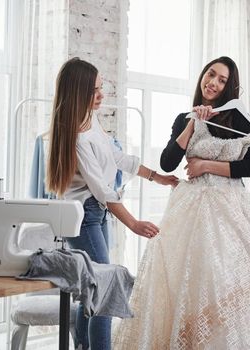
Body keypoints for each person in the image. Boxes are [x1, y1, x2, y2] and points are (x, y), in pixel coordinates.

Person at [113, 56, 250, 349]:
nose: (213, 83)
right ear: (203, 75)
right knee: (189, 282)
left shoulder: (239, 120)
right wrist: (192, 123)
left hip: (230, 210)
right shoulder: (184, 119)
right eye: (211, 74)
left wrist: (206, 166)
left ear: (228, 88)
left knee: (226, 282)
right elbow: (168, 162)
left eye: (222, 80)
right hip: (192, 211)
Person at [46, 57, 178, 350]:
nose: (101, 95)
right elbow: (104, 190)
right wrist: (133, 223)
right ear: (79, 93)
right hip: (85, 216)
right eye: (95, 90)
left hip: (96, 213)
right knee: (106, 291)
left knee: (94, 291)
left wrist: (156, 177)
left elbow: (117, 158)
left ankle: (82, 346)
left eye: (100, 88)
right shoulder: (77, 137)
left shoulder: (90, 121)